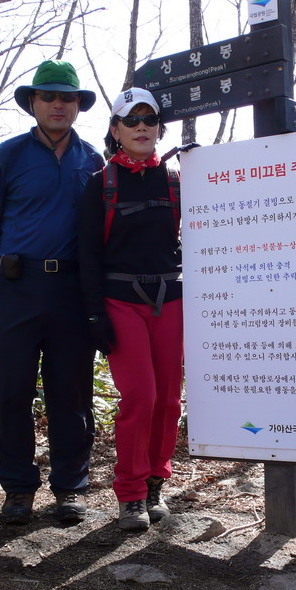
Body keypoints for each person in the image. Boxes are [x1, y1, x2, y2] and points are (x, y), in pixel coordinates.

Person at [0, 59, 104, 525]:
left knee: (71, 394)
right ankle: (18, 488)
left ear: (78, 105)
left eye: (67, 97)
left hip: (72, 290)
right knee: (10, 392)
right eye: (48, 96)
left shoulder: (93, 161)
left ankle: (70, 488)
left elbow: (102, 232)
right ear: (33, 103)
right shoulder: (9, 155)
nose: (58, 104)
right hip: (16, 288)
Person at [79, 88, 185, 531]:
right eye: (132, 120)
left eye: (150, 118)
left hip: (172, 300)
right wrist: (93, 315)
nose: (142, 126)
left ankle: (157, 481)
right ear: (116, 130)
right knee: (140, 397)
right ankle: (131, 494)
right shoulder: (100, 183)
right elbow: (87, 252)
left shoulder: (178, 180)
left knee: (168, 400)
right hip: (119, 301)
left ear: (159, 127)